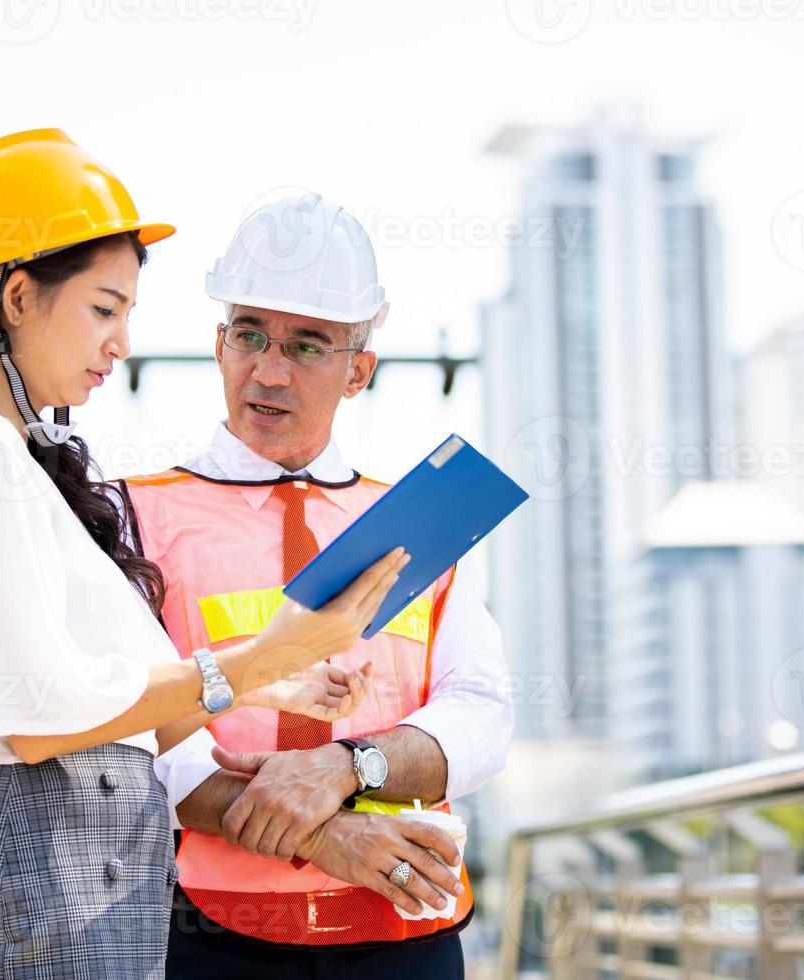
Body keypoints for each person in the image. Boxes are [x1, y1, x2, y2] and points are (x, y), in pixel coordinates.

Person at [0, 132, 439, 980]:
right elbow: (34, 719)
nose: (121, 344)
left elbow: (84, 690)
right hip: (38, 890)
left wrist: (276, 680)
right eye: (104, 308)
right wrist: (262, 661)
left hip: (59, 888)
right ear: (17, 297)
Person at [125, 192, 515, 978]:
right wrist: (324, 834)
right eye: (250, 335)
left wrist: (347, 766)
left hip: (404, 930)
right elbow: (133, 725)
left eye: (307, 346)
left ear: (358, 371)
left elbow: (483, 711)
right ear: (218, 344)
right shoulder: (138, 515)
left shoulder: (419, 522)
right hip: (211, 938)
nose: (268, 369)